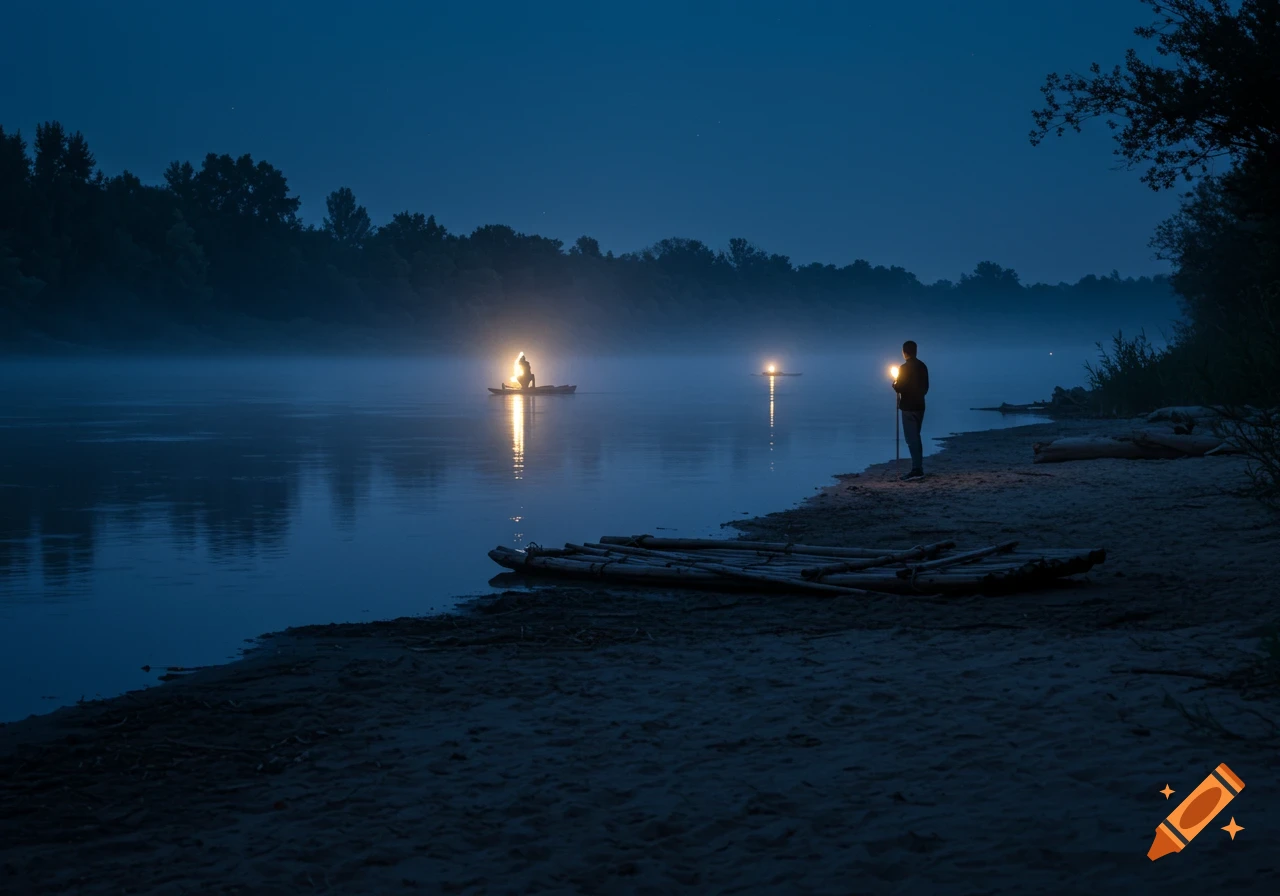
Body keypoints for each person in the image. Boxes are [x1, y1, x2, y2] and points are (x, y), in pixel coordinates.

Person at [892, 340, 929, 480]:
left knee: (911, 438)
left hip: (908, 407)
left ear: (904, 352)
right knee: (916, 436)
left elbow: (900, 387)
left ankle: (917, 469)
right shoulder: (922, 366)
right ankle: (918, 466)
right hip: (920, 405)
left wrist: (895, 384)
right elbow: (926, 387)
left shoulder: (904, 368)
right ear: (916, 351)